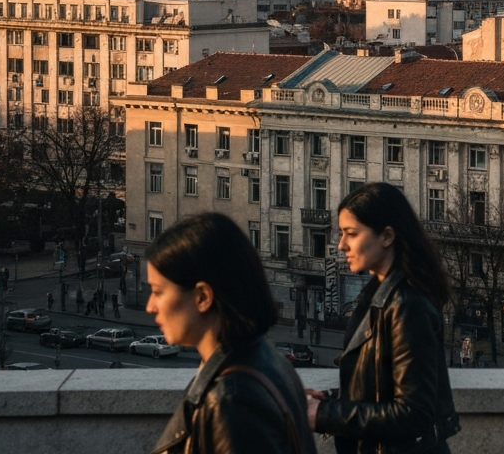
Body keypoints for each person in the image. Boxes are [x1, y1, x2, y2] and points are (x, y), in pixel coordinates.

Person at [307, 183, 459, 454]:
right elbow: (379, 387)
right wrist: (328, 400)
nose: (341, 245)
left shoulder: (407, 305)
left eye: (351, 234)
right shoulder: (379, 293)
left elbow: (413, 413)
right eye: (341, 233)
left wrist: (323, 414)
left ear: (387, 236)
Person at [148, 212, 317, 454]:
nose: (150, 306)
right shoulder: (264, 356)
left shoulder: (232, 400)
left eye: (158, 292)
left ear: (202, 297)